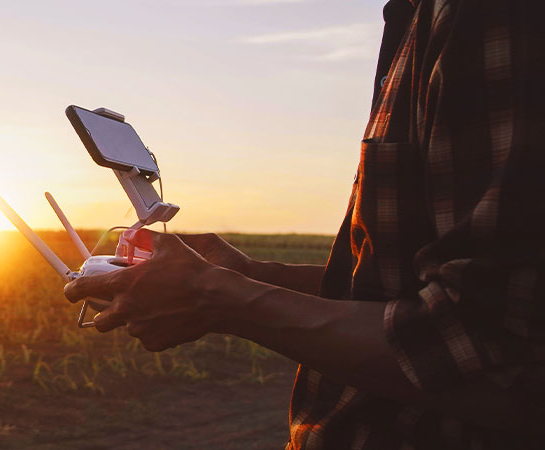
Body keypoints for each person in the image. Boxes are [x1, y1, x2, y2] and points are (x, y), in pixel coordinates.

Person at [63, 0, 544, 448]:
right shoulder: (415, 18)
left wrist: (218, 298)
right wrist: (248, 274)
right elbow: (400, 291)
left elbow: (491, 344)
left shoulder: (486, 17)